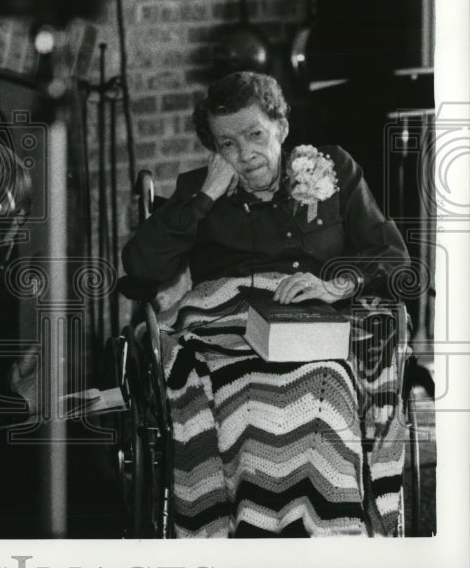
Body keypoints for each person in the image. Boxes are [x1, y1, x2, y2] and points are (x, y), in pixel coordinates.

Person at [121, 71, 410, 537]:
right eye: (227, 143)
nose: (244, 153)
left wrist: (339, 284)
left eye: (254, 134)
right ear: (214, 148)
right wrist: (206, 197)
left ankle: (321, 534)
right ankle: (260, 538)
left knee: (327, 384)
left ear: (281, 127)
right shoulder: (200, 189)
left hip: (319, 336)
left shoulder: (333, 169)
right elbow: (140, 266)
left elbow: (397, 260)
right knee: (253, 407)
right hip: (229, 343)